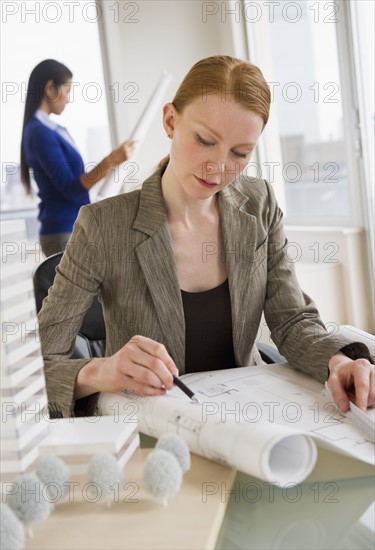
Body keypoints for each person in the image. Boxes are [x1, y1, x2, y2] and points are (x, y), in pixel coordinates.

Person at [38, 55, 374, 419]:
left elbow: (292, 322)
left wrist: (336, 362)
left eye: (239, 153)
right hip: (152, 429)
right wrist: (101, 370)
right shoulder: (103, 225)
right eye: (204, 140)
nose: (217, 167)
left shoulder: (259, 204)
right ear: (170, 121)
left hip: (249, 417)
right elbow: (36, 368)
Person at [21, 59, 135, 257]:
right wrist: (111, 160)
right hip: (62, 231)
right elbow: (70, 188)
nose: (68, 99)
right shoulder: (39, 132)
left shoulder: (54, 130)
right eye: (67, 90)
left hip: (71, 226)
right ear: (50, 88)